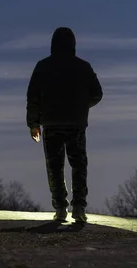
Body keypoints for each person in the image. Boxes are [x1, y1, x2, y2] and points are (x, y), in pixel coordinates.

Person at [26, 27, 103, 223]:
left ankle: (60, 207)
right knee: (78, 165)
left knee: (54, 166)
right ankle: (78, 207)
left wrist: (34, 124)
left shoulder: (43, 67)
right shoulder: (83, 67)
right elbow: (97, 94)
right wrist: (81, 107)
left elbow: (33, 97)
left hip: (51, 124)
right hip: (75, 124)